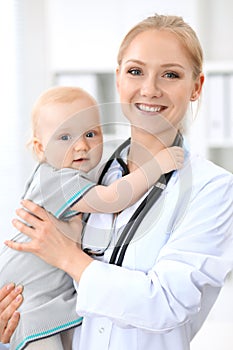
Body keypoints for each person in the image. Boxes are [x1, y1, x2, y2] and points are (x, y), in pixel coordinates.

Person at [1, 13, 233, 350]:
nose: (150, 89)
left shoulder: (213, 189)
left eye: (170, 74)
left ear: (196, 87)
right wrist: (14, 316)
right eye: (136, 71)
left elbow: (165, 304)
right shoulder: (85, 164)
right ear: (119, 79)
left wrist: (68, 257)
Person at [0, 85, 183, 350]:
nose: (82, 146)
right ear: (41, 148)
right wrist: (156, 166)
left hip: (40, 293)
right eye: (65, 137)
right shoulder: (56, 180)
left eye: (90, 134)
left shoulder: (72, 176)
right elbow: (111, 198)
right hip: (26, 296)